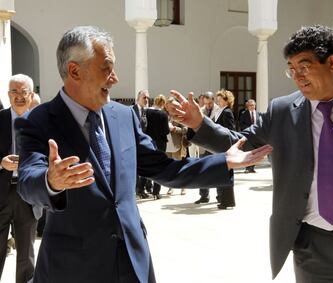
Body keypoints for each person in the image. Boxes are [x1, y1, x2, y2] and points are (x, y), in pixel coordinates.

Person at [14, 26, 272, 283]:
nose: (114, 78)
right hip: (73, 269)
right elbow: (27, 182)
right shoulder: (39, 121)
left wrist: (223, 161)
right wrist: (51, 181)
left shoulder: (123, 117)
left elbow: (165, 170)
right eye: (106, 68)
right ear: (74, 71)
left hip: (132, 262)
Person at [167, 25, 333, 283]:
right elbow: (238, 143)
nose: (297, 77)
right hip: (312, 248)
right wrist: (198, 123)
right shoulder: (283, 111)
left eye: (304, 67)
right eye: (291, 69)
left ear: (332, 62)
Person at [0, 74, 41, 283]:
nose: (19, 96)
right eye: (14, 91)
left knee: (27, 257)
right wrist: (1, 163)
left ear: (31, 95)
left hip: (28, 196)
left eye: (23, 91)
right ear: (8, 95)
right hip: (1, 194)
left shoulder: (40, 124)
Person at [144, 95, 170, 199]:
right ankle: (156, 192)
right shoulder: (163, 114)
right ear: (163, 103)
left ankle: (143, 188)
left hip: (148, 141)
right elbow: (166, 131)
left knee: (147, 164)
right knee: (159, 166)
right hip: (160, 143)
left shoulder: (147, 112)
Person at [132, 89, 152, 198]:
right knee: (133, 169)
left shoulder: (145, 111)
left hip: (142, 145)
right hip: (132, 144)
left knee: (142, 168)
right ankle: (135, 190)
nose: (147, 99)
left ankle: (140, 189)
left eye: (148, 98)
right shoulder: (131, 110)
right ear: (138, 98)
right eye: (144, 97)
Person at [238, 99, 259, 173]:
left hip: (256, 136)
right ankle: (247, 167)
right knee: (248, 152)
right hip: (247, 135)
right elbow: (241, 124)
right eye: (250, 105)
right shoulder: (244, 113)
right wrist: (250, 129)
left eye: (253, 105)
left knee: (255, 152)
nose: (252, 107)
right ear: (247, 106)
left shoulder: (258, 113)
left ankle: (252, 167)